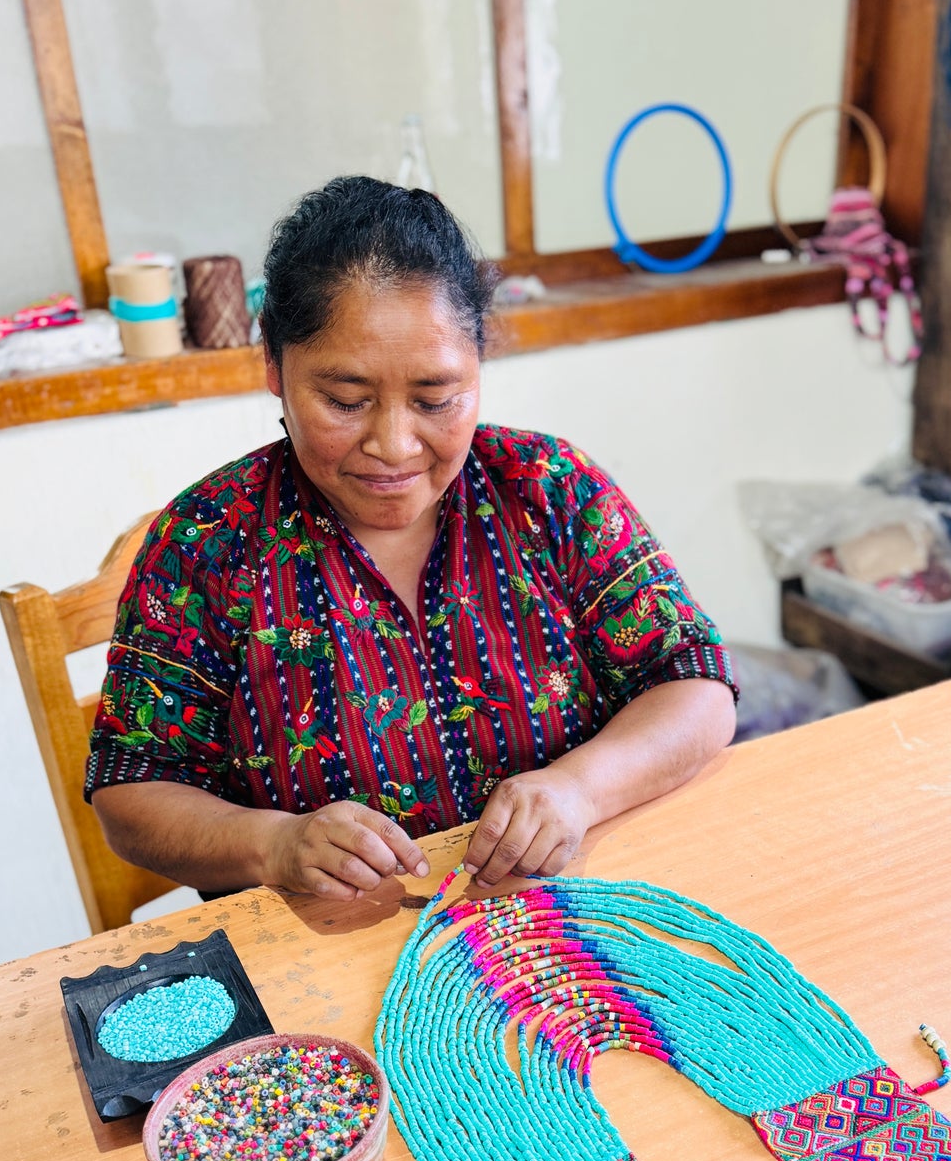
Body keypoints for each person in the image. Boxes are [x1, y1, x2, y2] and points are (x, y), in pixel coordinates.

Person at [88, 178, 736, 903]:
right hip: (326, 950)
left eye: (435, 399)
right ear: (273, 365)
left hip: (570, 918)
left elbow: (695, 686)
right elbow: (132, 792)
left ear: (479, 363)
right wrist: (273, 844)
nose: (393, 445)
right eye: (344, 400)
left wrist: (577, 790)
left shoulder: (549, 491)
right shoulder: (210, 542)